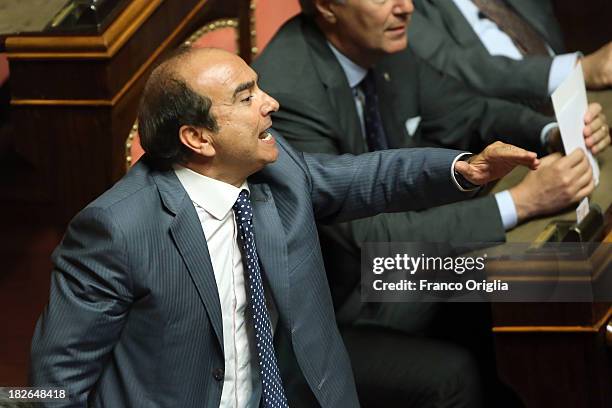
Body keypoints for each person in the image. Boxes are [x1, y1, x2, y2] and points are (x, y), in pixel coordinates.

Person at [28, 47, 536, 407]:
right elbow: (52, 384)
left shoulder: (278, 171)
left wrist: (464, 169)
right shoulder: (116, 230)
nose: (271, 103)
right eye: (246, 98)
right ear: (197, 137)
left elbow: (366, 176)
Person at [252, 0, 609, 405]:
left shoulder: (381, 43)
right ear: (327, 7)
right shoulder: (288, 90)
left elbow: (466, 111)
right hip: (349, 297)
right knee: (533, 288)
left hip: (402, 264)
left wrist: (549, 131)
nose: (405, 7)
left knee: (554, 283)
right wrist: (521, 202)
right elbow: (368, 240)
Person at [410, 0, 612, 105]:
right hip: (506, 125)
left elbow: (545, 19)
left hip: (573, 95)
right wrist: (579, 69)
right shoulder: (404, 8)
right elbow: (458, 68)